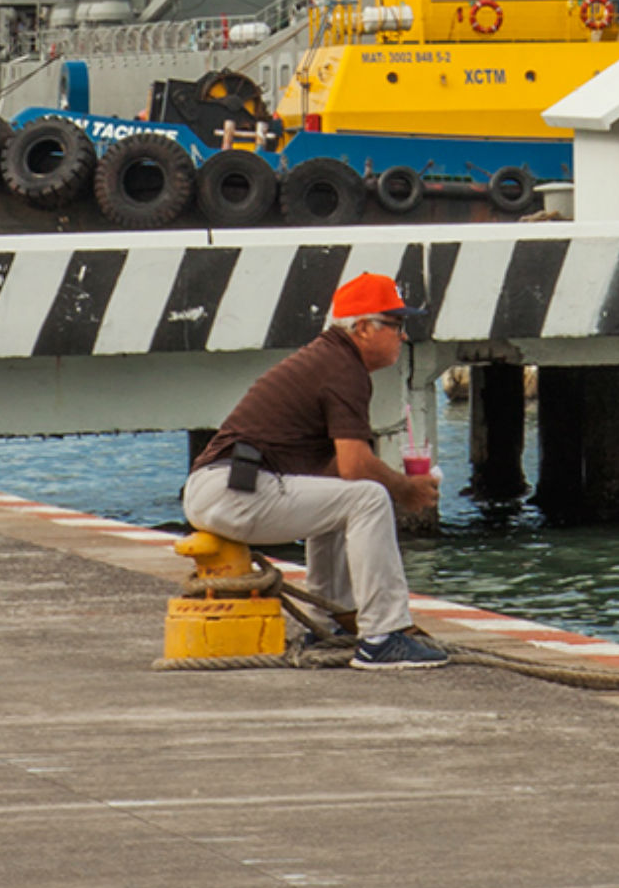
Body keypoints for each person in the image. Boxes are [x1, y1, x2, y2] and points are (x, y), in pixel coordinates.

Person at [182, 271, 446, 670]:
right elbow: (357, 466)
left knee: (342, 494)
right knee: (370, 497)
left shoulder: (327, 359)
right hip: (234, 490)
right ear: (362, 328)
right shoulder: (343, 370)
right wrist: (404, 488)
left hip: (219, 488)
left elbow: (339, 471)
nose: (403, 336)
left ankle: (329, 623)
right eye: (396, 325)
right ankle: (384, 635)